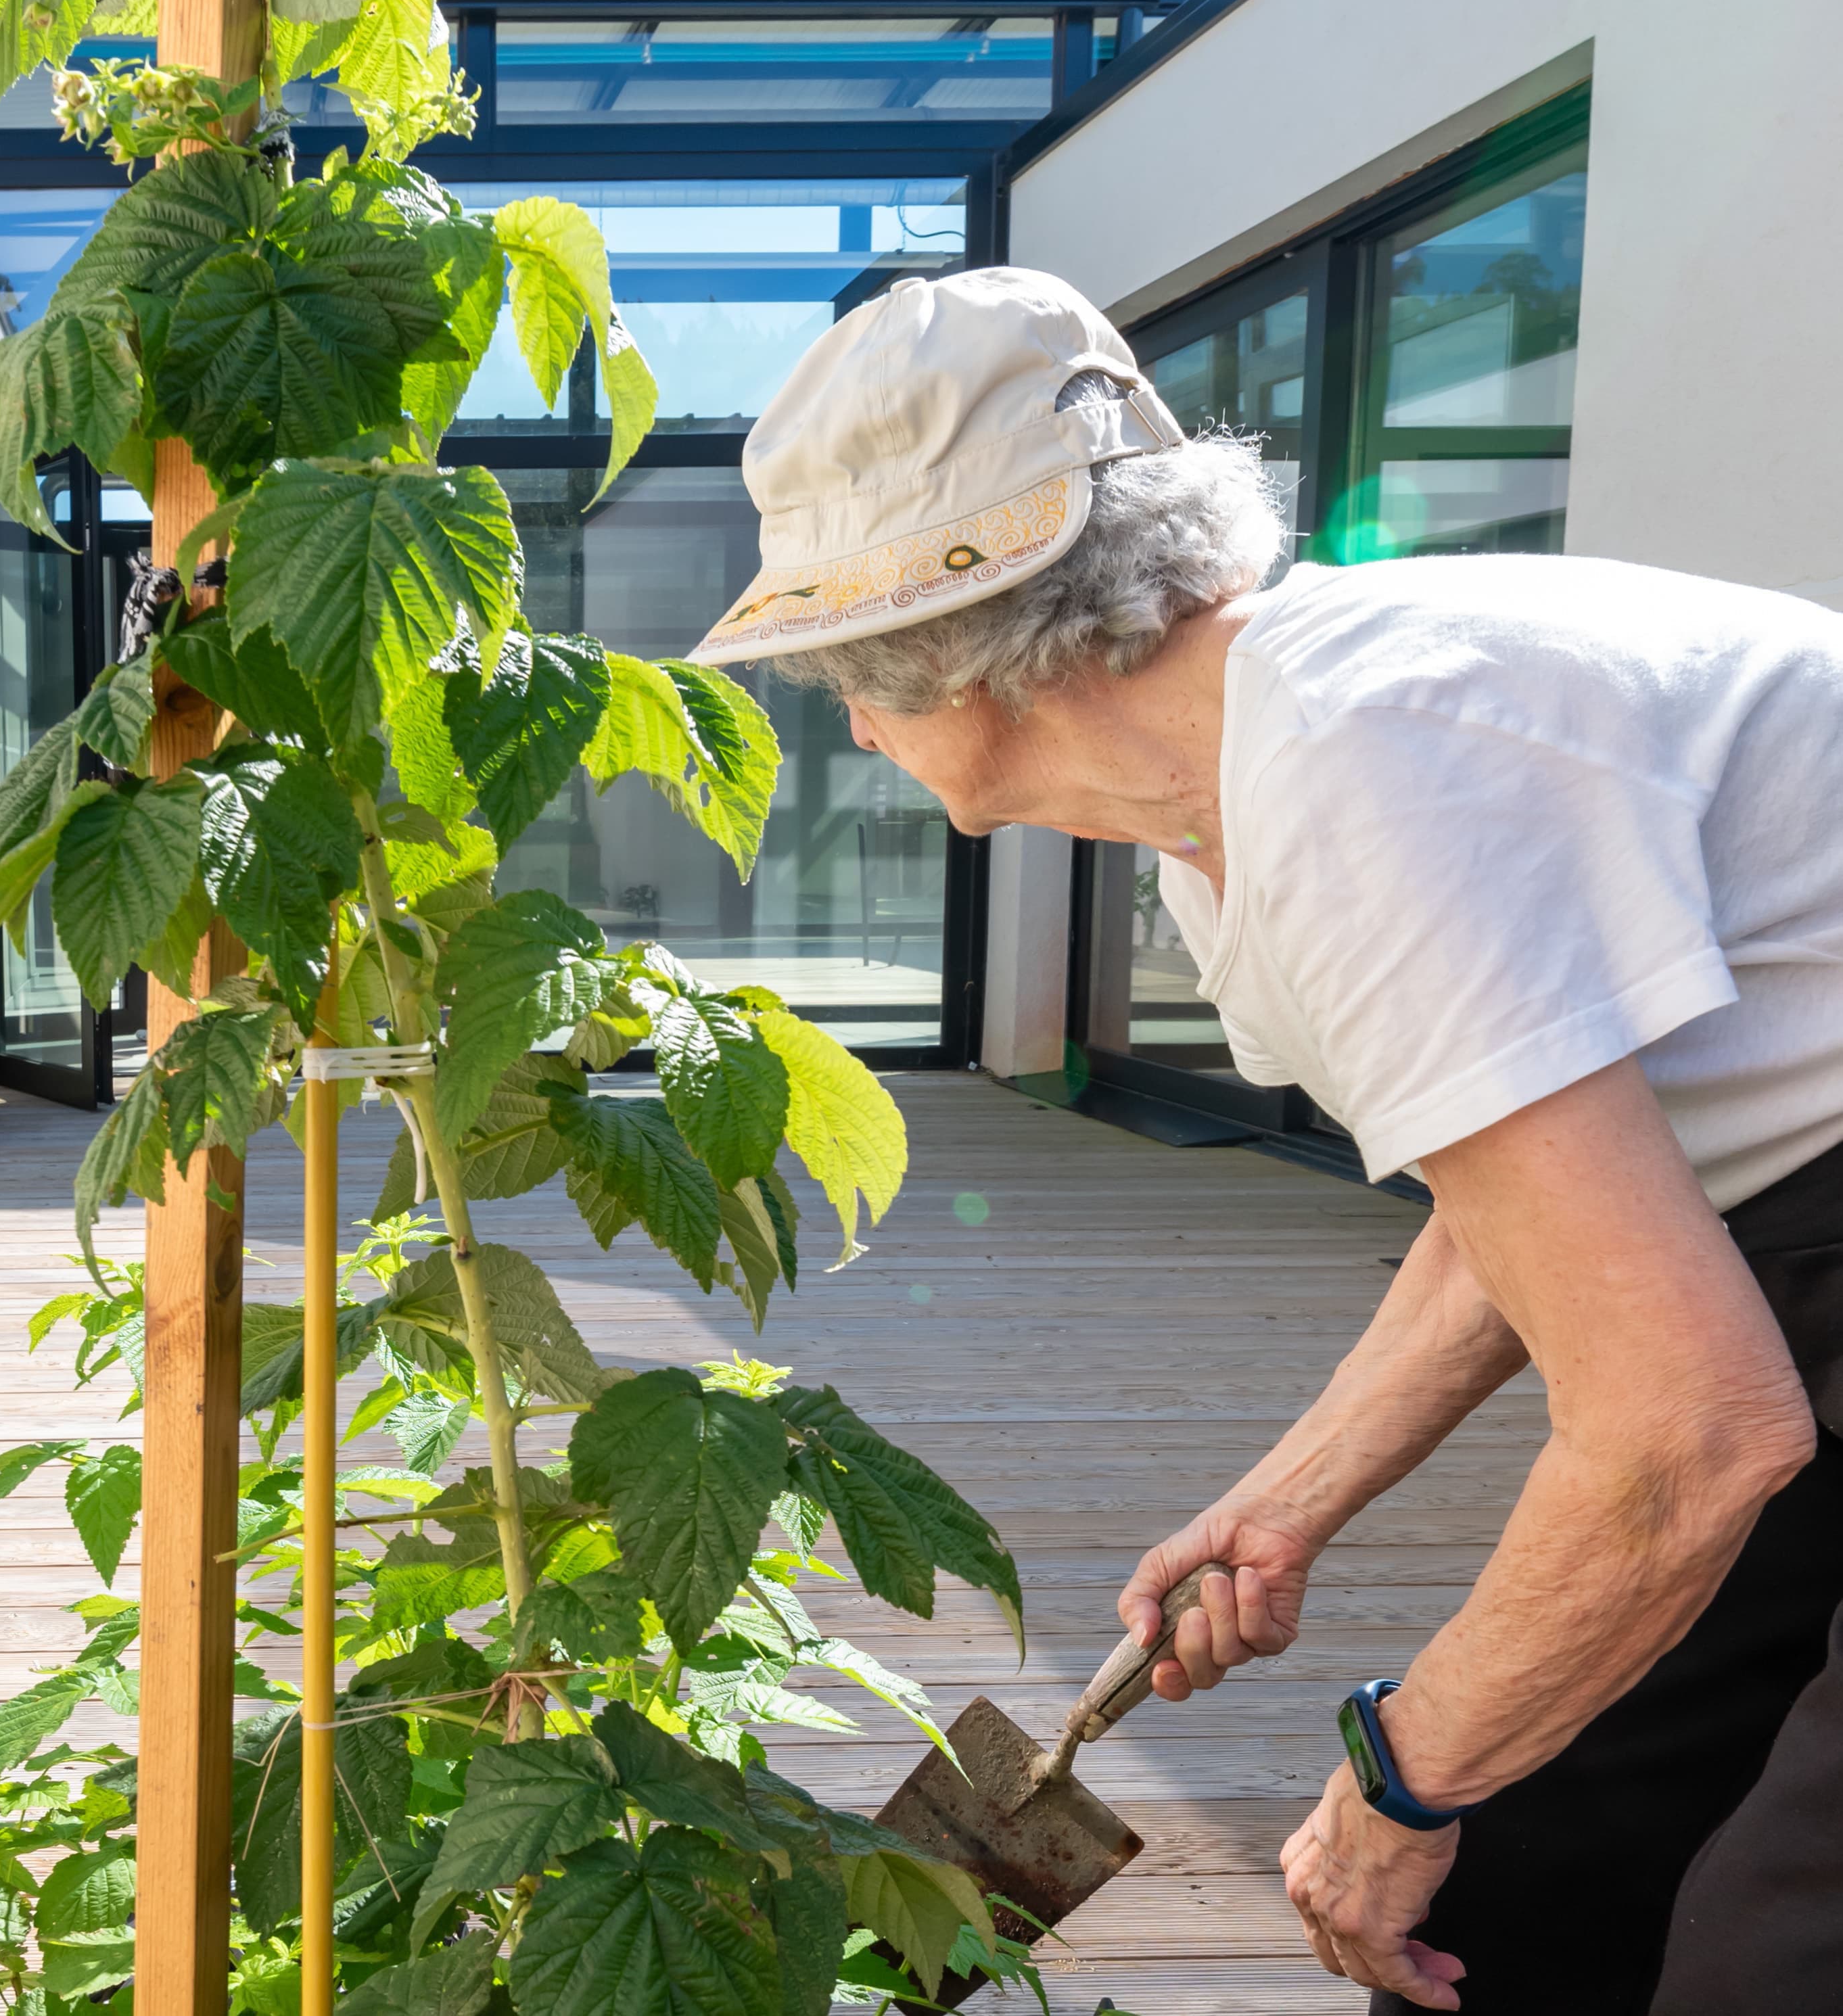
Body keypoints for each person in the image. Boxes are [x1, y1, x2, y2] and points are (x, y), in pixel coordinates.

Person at [685, 266, 1843, 2015]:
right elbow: (1525, 1200)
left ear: (959, 646)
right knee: (1530, 1882)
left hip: (1763, 1311)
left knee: (1780, 1943)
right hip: (1787, 1239)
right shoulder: (1236, 794)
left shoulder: (1359, 773)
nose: (851, 721)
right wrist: (1284, 1507)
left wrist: (1398, 1772)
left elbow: (1686, 1432)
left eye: (848, 667)